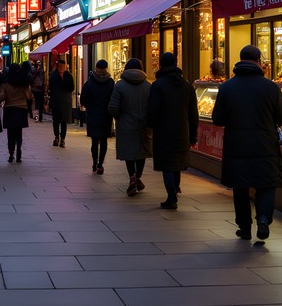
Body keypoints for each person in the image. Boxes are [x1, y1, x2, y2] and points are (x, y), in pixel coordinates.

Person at [211, 45, 282, 240]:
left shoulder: (227, 87)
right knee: (266, 184)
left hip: (236, 146)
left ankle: (244, 227)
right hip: (265, 145)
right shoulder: (270, 87)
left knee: (240, 186)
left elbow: (218, 119)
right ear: (258, 61)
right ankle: (263, 218)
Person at [146, 51, 199, 209]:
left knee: (167, 165)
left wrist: (150, 126)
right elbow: (193, 113)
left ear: (161, 65)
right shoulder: (187, 86)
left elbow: (153, 109)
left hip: (163, 130)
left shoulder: (158, 85)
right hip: (182, 129)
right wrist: (193, 134)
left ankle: (171, 196)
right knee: (177, 164)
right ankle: (175, 190)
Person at [108, 57, 153, 197]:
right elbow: (153, 107)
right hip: (144, 125)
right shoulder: (148, 86)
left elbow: (113, 108)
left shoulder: (119, 85)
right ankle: (137, 177)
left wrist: (119, 117)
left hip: (126, 125)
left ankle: (132, 177)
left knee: (129, 153)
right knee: (141, 152)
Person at [80, 59, 115, 174]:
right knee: (104, 141)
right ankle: (100, 164)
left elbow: (83, 99)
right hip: (106, 116)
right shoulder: (110, 82)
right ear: (106, 68)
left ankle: (94, 162)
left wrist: (89, 106)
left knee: (94, 141)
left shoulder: (89, 82)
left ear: (96, 68)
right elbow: (114, 99)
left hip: (93, 116)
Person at [0, 62, 32, 163]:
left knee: (10, 134)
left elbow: (0, 96)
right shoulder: (24, 83)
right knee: (19, 133)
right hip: (21, 108)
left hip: (9, 109)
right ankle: (19, 153)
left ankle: (11, 154)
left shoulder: (6, 83)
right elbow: (29, 96)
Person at [48, 57, 75, 147]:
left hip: (65, 101)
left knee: (64, 121)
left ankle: (62, 139)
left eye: (63, 66)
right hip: (56, 101)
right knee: (56, 120)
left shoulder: (68, 75)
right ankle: (56, 137)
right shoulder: (53, 75)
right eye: (60, 66)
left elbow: (72, 87)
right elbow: (50, 88)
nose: (62, 68)